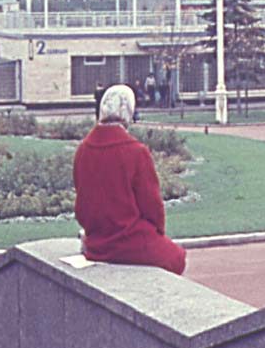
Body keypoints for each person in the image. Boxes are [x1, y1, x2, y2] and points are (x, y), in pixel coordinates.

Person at [73, 84, 186, 275]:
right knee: (177, 258)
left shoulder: (83, 150)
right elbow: (152, 206)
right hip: (128, 238)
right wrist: (156, 233)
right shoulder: (136, 152)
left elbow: (82, 201)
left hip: (96, 239)